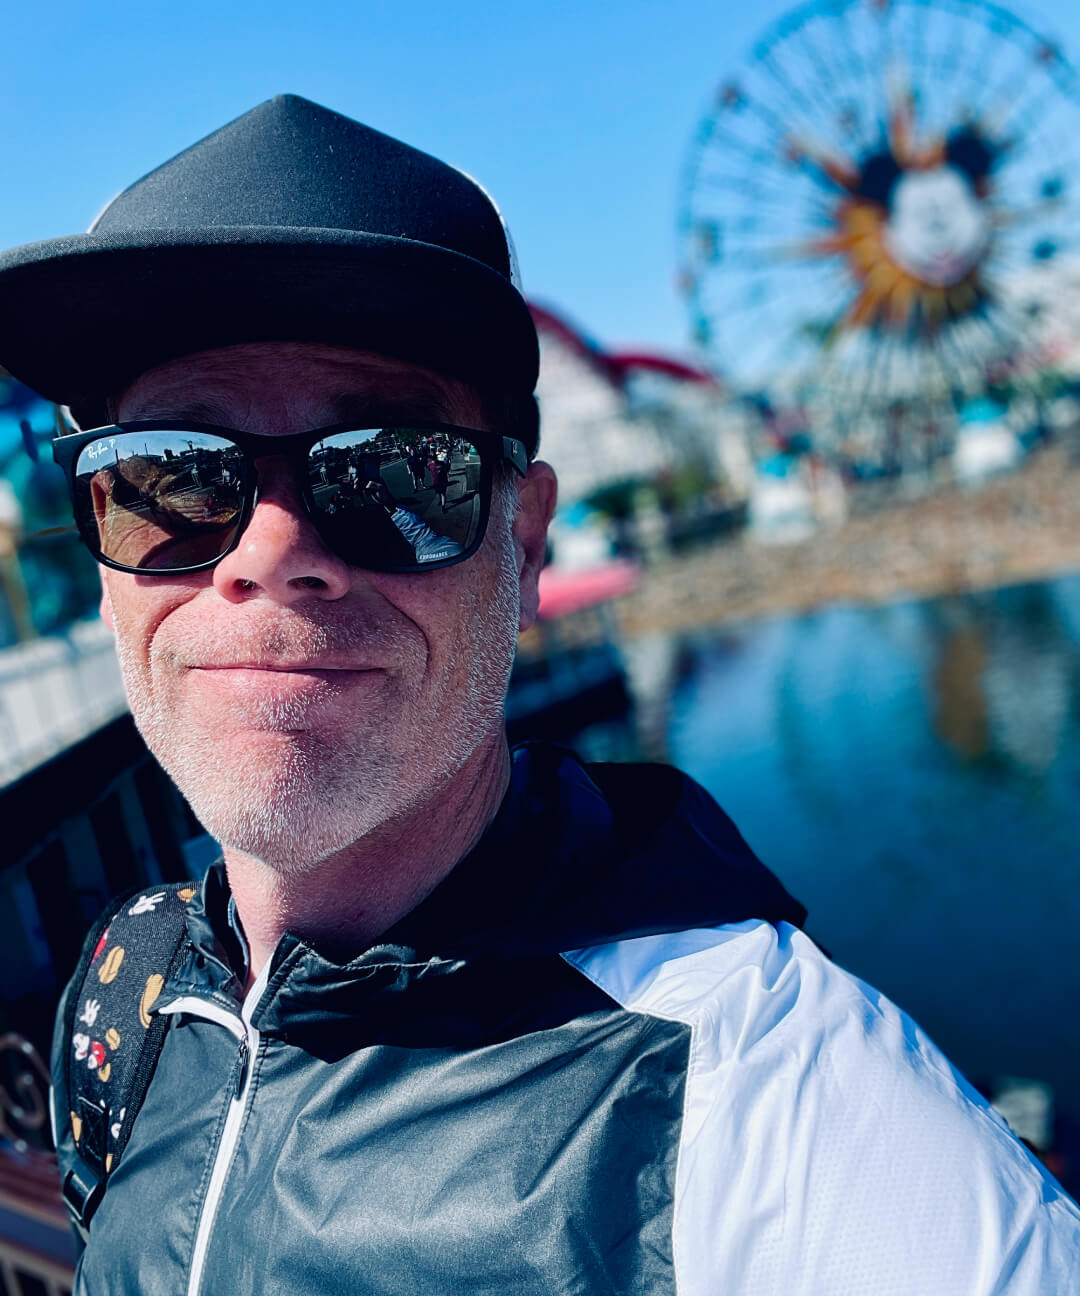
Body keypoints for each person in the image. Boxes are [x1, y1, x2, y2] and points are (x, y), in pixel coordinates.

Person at [1, 94, 1077, 1295]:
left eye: (385, 473)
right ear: (98, 544)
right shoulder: (127, 1001)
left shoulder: (768, 1105)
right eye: (168, 479)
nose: (266, 553)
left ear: (527, 536)